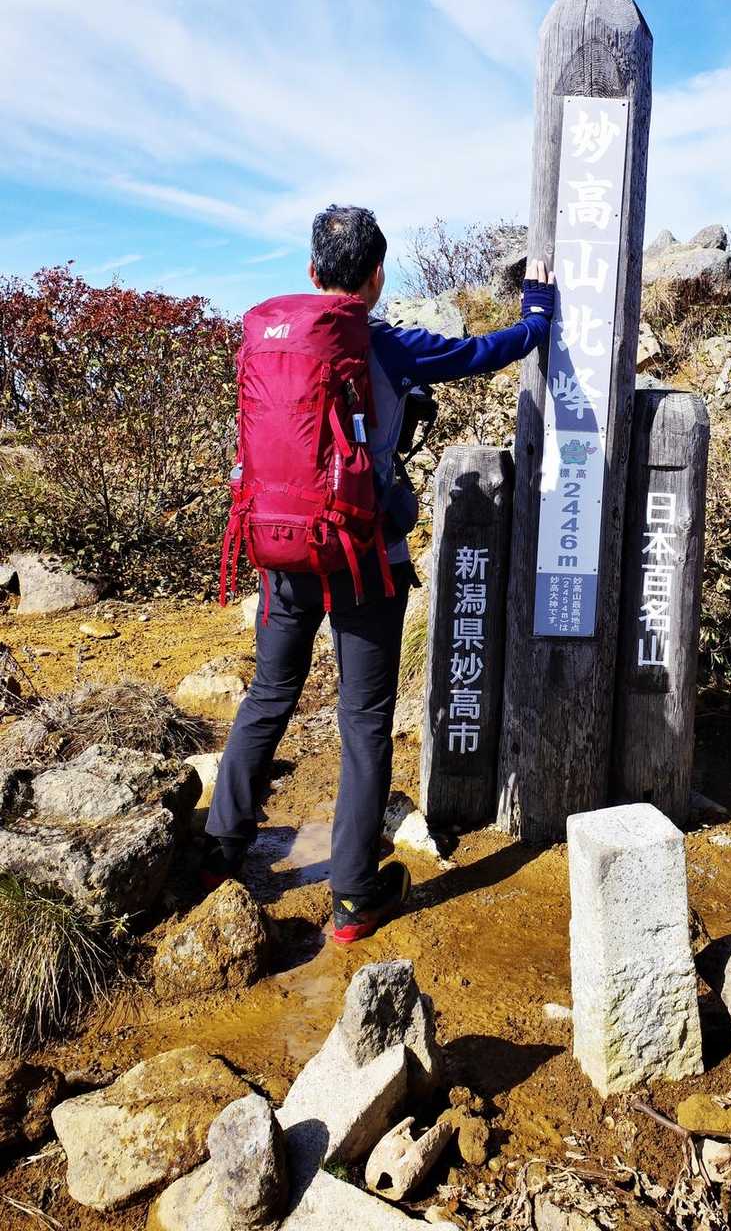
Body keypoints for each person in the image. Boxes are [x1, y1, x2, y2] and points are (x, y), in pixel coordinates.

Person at [202, 205, 555, 943]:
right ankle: (354, 897)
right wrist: (537, 312)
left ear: (312, 272)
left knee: (269, 694)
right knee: (363, 721)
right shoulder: (383, 343)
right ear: (376, 276)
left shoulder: (273, 339)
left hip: (281, 550)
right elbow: (481, 352)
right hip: (364, 557)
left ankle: (218, 851)